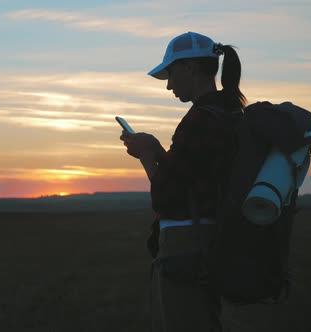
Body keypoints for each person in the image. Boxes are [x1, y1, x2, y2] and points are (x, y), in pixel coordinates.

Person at [120, 32, 246, 331]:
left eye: (171, 74)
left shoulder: (200, 119)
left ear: (189, 68)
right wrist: (157, 150)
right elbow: (193, 175)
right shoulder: (228, 112)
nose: (168, 85)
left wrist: (147, 155)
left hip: (186, 243)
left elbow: (167, 195)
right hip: (212, 237)